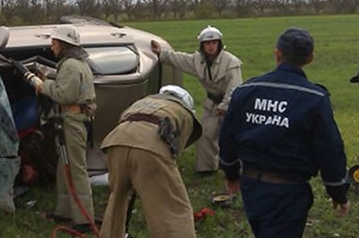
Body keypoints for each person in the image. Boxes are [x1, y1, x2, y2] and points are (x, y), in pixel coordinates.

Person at [219, 27, 351, 238]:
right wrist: (337, 191)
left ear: (277, 53)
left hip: (252, 187)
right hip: (289, 193)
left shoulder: (245, 90)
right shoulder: (314, 98)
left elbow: (227, 136)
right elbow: (330, 149)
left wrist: (230, 173)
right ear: (310, 58)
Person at [100, 85, 202, 238]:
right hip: (150, 147)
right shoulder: (183, 113)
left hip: (116, 142)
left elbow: (123, 122)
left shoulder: (141, 102)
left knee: (117, 199)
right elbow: (174, 150)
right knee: (173, 208)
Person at [23, 25, 97, 233]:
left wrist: (39, 84)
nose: (52, 46)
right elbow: (67, 87)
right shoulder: (74, 65)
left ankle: (84, 219)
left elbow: (65, 95)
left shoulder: (72, 66)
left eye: (54, 42)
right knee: (63, 169)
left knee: (76, 170)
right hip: (71, 120)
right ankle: (65, 212)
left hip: (74, 122)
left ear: (64, 45)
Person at [151, 25, 242, 175]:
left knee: (233, 137)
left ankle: (237, 169)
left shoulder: (231, 63)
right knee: (205, 133)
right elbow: (180, 59)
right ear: (202, 45)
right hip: (212, 104)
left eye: (214, 43)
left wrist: (225, 106)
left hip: (232, 105)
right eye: (207, 43)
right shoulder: (197, 61)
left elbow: (235, 88)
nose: (211, 46)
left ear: (219, 44)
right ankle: (207, 169)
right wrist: (161, 53)